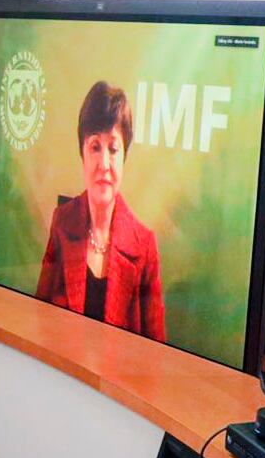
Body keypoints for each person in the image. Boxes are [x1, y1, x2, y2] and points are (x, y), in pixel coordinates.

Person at [34, 80, 166, 340]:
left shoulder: (145, 246)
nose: (104, 163)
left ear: (124, 156)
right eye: (95, 147)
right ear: (82, 153)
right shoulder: (62, 221)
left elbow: (156, 354)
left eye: (113, 149)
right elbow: (40, 319)